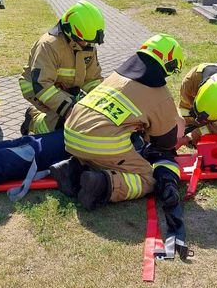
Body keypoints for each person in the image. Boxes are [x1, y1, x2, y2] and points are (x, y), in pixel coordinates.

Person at [51, 33, 189, 257]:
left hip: (71, 132)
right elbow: (164, 143)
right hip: (100, 142)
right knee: (148, 178)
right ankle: (103, 185)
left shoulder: (118, 75)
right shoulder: (160, 95)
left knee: (111, 151)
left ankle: (73, 170)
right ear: (169, 64)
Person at [19, 0, 105, 135]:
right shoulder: (48, 46)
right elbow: (42, 85)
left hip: (64, 88)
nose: (88, 45)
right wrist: (68, 108)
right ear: (70, 32)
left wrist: (104, 99)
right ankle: (33, 120)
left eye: (91, 42)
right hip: (37, 88)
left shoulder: (86, 44)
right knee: (60, 123)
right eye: (85, 41)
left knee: (83, 115)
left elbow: (92, 79)